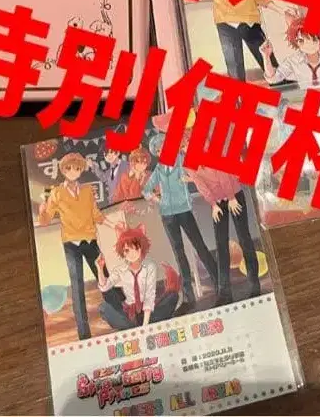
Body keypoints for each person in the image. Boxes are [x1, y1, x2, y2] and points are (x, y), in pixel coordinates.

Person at [38, 152, 125, 340]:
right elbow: (45, 220)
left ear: (81, 170)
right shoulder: (56, 193)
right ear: (63, 170)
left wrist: (114, 225)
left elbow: (96, 215)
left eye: (77, 168)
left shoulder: (87, 190)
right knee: (77, 288)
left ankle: (122, 316)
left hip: (90, 240)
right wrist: (42, 211)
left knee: (105, 278)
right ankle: (84, 333)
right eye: (69, 168)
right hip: (71, 244)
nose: (73, 172)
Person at [142, 133, 218, 306]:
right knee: (179, 253)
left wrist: (189, 179)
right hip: (168, 215)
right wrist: (158, 199)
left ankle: (219, 283)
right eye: (159, 150)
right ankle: (188, 296)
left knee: (200, 246)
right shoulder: (159, 169)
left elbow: (200, 174)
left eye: (164, 147)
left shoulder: (181, 161)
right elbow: (146, 190)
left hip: (184, 210)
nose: (162, 152)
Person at [185, 167, 260, 305]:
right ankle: (224, 293)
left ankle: (254, 284)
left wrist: (231, 197)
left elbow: (223, 174)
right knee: (221, 245)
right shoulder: (188, 165)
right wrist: (213, 205)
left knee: (244, 238)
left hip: (234, 194)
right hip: (218, 202)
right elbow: (201, 186)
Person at [96, 224, 179, 330]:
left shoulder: (149, 267)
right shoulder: (121, 269)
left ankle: (136, 326)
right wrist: (100, 268)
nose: (131, 254)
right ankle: (131, 325)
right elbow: (104, 287)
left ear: (141, 248)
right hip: (129, 314)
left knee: (172, 296)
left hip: (149, 312)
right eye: (126, 250)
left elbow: (149, 296)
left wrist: (145, 325)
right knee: (104, 307)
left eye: (135, 248)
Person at [261, 13, 320, 88]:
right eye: (300, 41)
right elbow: (273, 78)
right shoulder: (293, 60)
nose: (307, 45)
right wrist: (266, 56)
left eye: (313, 39)